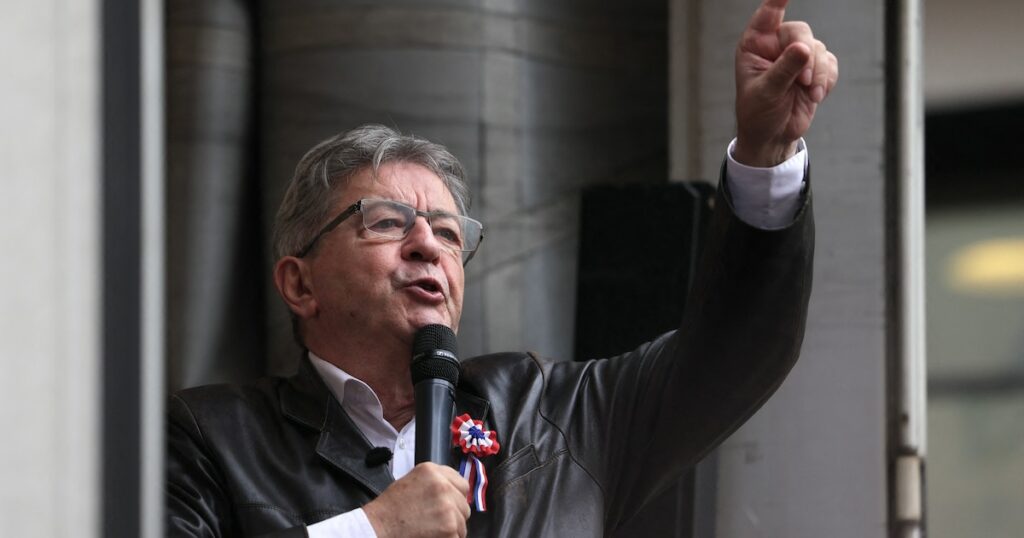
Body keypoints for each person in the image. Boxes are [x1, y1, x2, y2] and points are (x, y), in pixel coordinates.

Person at [166, 0, 838, 536]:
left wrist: (765, 153)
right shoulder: (211, 439)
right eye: (388, 223)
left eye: (449, 233)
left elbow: (736, 354)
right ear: (299, 283)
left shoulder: (551, 417)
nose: (428, 246)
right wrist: (370, 531)